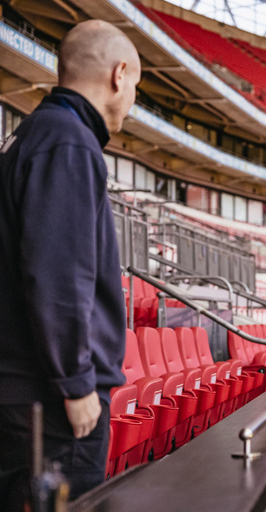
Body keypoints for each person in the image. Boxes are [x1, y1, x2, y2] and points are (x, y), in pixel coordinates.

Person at [0, 20, 141, 508]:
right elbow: (58, 275)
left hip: (28, 398)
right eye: (137, 87)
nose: (132, 100)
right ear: (119, 75)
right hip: (54, 406)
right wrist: (77, 384)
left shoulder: (36, 134)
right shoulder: (68, 141)